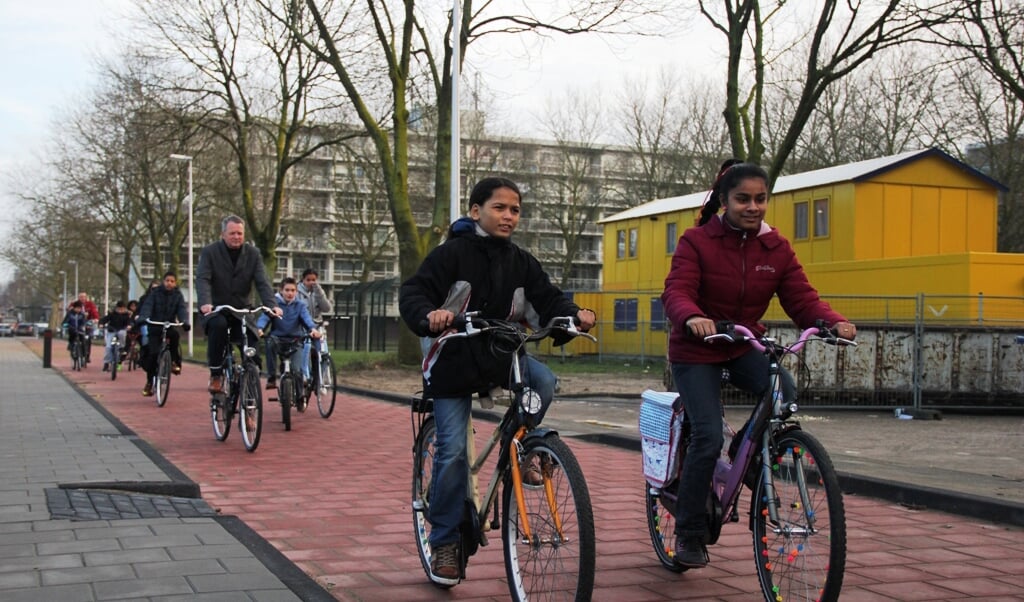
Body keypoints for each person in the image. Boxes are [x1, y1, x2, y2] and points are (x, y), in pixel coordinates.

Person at [398, 176, 596, 587]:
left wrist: (573, 314)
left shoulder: (520, 261)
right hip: (453, 356)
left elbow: (547, 298)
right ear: (476, 212)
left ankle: (523, 448)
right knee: (452, 451)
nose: (509, 216)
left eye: (516, 210)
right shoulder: (451, 255)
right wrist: (429, 316)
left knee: (544, 382)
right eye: (500, 208)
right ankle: (445, 539)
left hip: (497, 353)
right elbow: (415, 292)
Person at [661, 160, 858, 569]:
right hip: (698, 349)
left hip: (741, 343)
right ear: (725, 200)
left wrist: (830, 321)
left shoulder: (776, 248)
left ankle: (745, 452)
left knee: (783, 389)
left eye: (760, 199)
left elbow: (801, 297)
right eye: (743, 199)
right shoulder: (697, 241)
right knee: (707, 435)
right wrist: (692, 318)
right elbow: (677, 291)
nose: (752, 207)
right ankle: (690, 531)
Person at [196, 215, 281, 394]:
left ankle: (250, 400)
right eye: (232, 233)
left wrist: (271, 305)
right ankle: (216, 375)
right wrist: (205, 303)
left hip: (242, 310)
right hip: (217, 309)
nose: (237, 237)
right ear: (223, 234)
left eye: (240, 233)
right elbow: (203, 279)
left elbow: (262, 282)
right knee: (218, 327)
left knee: (251, 350)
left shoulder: (253, 253)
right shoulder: (210, 252)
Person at [255, 277, 321, 390]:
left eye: (292, 290)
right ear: (281, 290)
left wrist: (313, 329)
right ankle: (271, 377)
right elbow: (265, 317)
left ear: (296, 291)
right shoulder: (274, 304)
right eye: (287, 290)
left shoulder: (300, 306)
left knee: (296, 370)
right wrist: (259, 328)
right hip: (278, 339)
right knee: (269, 343)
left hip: (295, 340)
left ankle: (300, 395)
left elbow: (307, 319)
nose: (290, 293)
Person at [137, 271, 190, 396]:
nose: (169, 283)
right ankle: (149, 382)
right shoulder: (155, 294)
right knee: (153, 354)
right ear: (163, 281)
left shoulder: (178, 295)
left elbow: (182, 309)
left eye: (172, 281)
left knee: (175, 336)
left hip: (169, 324)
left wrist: (184, 321)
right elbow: (147, 307)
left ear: (175, 283)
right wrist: (143, 318)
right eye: (167, 281)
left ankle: (174, 362)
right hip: (155, 326)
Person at [297, 267, 332, 381]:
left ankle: (318, 378)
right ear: (303, 279)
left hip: (317, 326)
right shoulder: (296, 292)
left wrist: (319, 293)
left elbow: (326, 308)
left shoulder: (318, 292)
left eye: (314, 280)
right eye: (308, 280)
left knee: (324, 353)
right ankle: (305, 376)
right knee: (305, 350)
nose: (311, 283)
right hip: (302, 326)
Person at [97, 301, 132, 372]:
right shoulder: (112, 314)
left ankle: (121, 347)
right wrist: (101, 324)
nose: (121, 311)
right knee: (108, 347)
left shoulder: (126, 315)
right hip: (112, 330)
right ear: (116, 308)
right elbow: (104, 319)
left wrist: (129, 325)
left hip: (121, 329)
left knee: (122, 334)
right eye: (119, 309)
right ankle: (106, 363)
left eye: (122, 309)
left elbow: (130, 322)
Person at [71, 292, 100, 364]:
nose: (83, 298)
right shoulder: (74, 304)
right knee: (72, 336)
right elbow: (70, 311)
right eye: (81, 297)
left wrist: (96, 319)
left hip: (87, 323)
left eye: (84, 297)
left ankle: (87, 355)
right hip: (77, 323)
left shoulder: (90, 304)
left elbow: (94, 312)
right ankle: (73, 350)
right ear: (78, 297)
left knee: (88, 339)